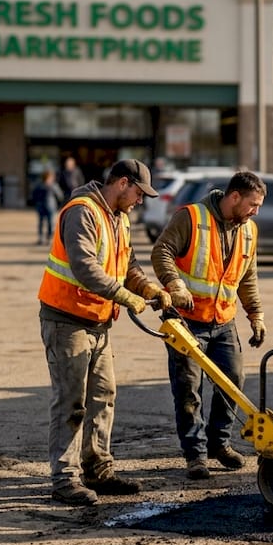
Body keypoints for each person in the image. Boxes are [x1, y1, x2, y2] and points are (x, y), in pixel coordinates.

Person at [37, 159, 172, 506]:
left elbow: (127, 265)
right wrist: (126, 296)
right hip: (67, 320)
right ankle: (65, 478)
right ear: (122, 183)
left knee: (104, 395)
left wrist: (148, 289)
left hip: (98, 321)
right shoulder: (82, 211)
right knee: (71, 401)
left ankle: (98, 468)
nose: (141, 201)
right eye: (139, 193)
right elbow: (85, 267)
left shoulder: (119, 218)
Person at [152, 171, 268, 481]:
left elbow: (247, 276)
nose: (256, 211)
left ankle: (220, 443)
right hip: (186, 321)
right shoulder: (190, 217)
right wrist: (175, 285)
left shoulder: (248, 230)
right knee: (189, 390)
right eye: (253, 204)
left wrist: (255, 314)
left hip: (223, 320)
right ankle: (196, 455)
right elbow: (161, 252)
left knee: (232, 379)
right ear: (234, 198)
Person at [31, 170, 63, 245]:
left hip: (49, 206)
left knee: (50, 223)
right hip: (43, 206)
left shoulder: (52, 185)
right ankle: (41, 238)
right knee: (41, 223)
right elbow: (34, 195)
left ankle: (48, 238)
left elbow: (60, 196)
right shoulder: (40, 185)